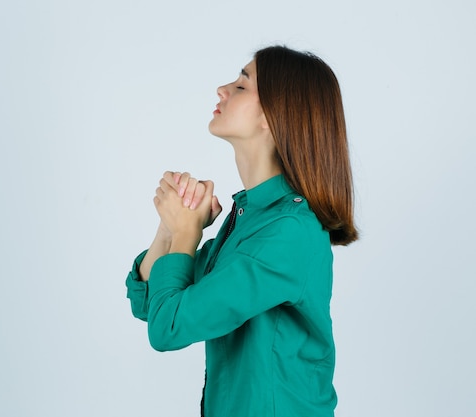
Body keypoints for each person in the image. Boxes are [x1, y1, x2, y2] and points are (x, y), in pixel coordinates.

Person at [125, 45, 358, 417]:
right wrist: (170, 230)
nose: (223, 88)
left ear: (274, 115)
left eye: (242, 86)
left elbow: (168, 328)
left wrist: (188, 233)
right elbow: (149, 303)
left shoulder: (290, 232)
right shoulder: (252, 218)